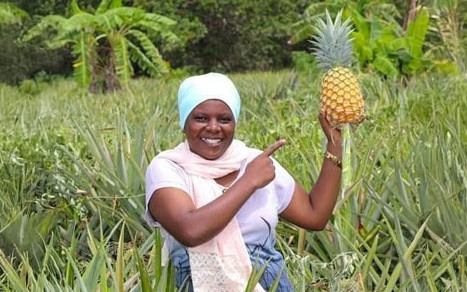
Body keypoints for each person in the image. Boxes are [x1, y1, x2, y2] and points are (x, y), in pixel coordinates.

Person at [145, 73, 342, 292]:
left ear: (235, 122)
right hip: (196, 282)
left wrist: (335, 144)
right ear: (184, 123)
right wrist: (249, 181)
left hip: (268, 282)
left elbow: (315, 216)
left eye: (224, 119)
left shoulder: (255, 162)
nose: (213, 127)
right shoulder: (168, 167)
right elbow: (190, 231)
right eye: (200, 118)